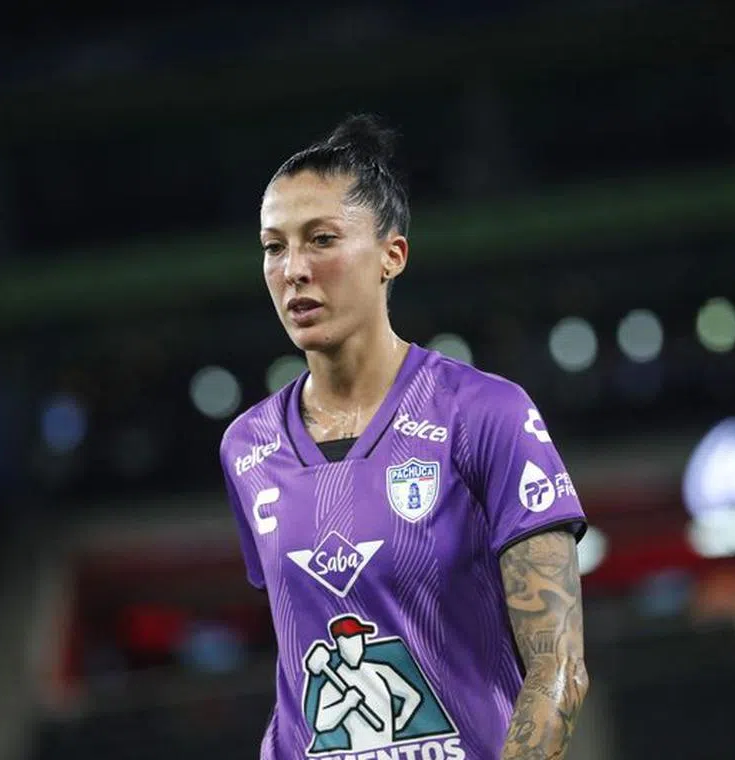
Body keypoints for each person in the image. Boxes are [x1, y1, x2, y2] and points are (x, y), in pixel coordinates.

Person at [220, 114, 589, 760]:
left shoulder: (485, 415)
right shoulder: (246, 448)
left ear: (392, 254)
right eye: (273, 247)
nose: (294, 270)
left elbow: (559, 671)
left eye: (322, 239)